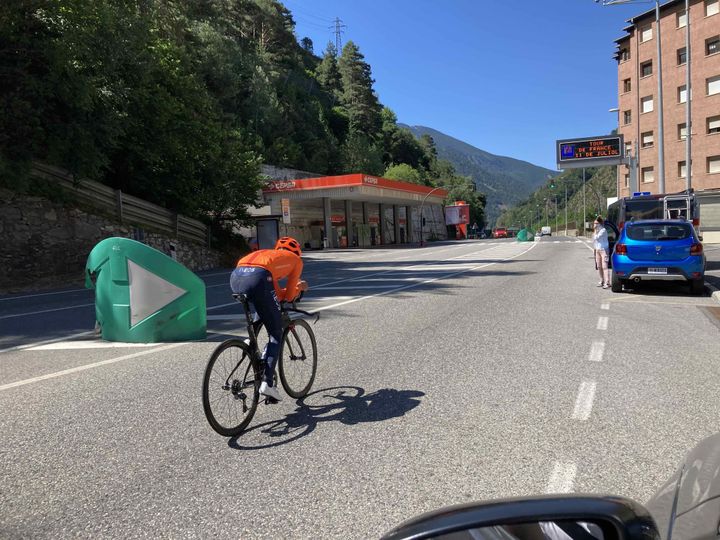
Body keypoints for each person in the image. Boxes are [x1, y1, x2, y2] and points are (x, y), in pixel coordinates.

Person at [230, 236, 307, 401]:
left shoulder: (270, 256)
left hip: (237, 276)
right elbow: (287, 297)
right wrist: (298, 288)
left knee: (263, 302)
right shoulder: (296, 261)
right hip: (259, 278)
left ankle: (250, 341)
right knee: (275, 333)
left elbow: (275, 294)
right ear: (297, 253)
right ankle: (267, 383)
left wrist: (285, 291)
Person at [592, 216, 610, 289]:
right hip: (597, 250)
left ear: (599, 224)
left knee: (604, 266)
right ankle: (601, 280)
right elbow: (594, 240)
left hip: (604, 250)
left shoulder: (603, 230)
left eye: (596, 223)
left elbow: (597, 237)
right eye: (594, 223)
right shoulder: (596, 231)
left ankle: (607, 282)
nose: (594, 225)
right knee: (599, 266)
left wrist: (595, 231)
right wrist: (594, 249)